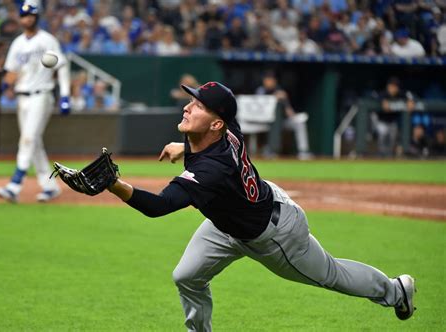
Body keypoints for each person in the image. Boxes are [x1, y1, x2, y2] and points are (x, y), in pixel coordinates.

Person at [107, 81, 416, 331]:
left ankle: (395, 290)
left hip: (275, 235)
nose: (187, 107)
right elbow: (209, 141)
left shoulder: (211, 170)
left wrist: (113, 184)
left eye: (198, 105)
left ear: (215, 123)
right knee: (186, 277)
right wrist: (184, 145)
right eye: (192, 101)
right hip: (230, 221)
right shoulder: (224, 129)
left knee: (330, 274)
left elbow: (160, 205)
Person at [0, 3, 71, 203]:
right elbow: (12, 72)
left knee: (28, 139)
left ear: (37, 17)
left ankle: (14, 185)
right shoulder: (18, 43)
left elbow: (62, 66)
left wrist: (64, 95)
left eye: (31, 15)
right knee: (34, 143)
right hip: (23, 97)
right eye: (24, 16)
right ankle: (50, 186)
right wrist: (2, 87)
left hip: (41, 95)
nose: (27, 19)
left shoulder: (47, 40)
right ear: (20, 18)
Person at [255, 72, 312, 159]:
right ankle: (270, 150)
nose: (269, 82)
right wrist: (273, 98)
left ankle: (303, 151)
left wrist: (293, 113)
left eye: (271, 80)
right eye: (267, 80)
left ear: (275, 81)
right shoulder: (261, 91)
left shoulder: (279, 91)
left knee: (300, 124)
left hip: (282, 122)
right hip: (265, 122)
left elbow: (289, 111)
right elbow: (258, 108)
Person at [371, 77, 415, 157]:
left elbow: (409, 94)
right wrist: (383, 101)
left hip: (392, 122)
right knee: (383, 134)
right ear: (388, 86)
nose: (393, 88)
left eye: (395, 86)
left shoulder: (400, 94)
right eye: (391, 86)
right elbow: (376, 96)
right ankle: (380, 156)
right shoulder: (383, 93)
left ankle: (389, 157)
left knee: (392, 138)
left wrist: (410, 100)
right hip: (380, 120)